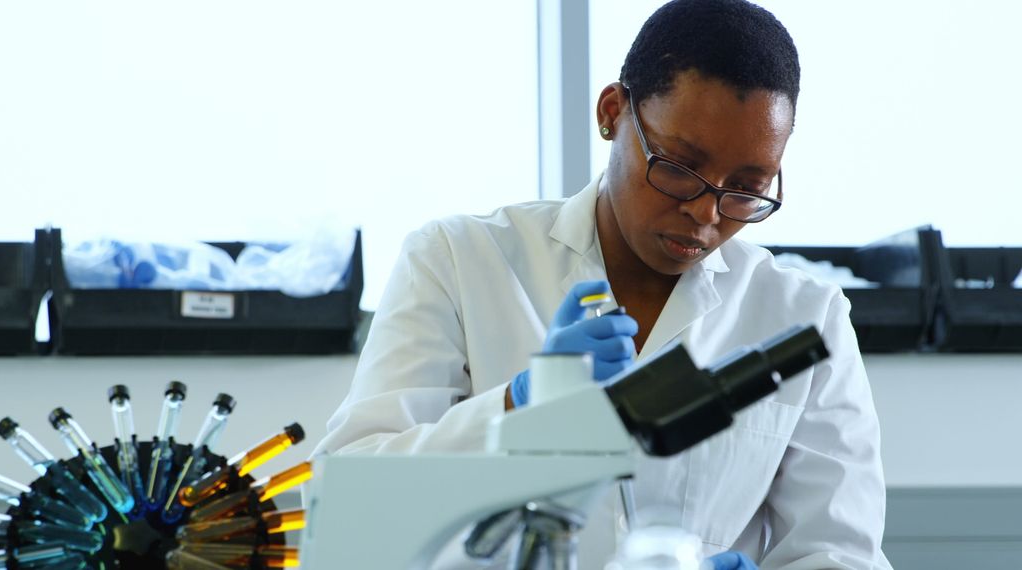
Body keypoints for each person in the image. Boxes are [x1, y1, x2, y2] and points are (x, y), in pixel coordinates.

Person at [313, 0, 892, 568]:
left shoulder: (807, 317)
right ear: (613, 112)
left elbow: (839, 552)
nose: (707, 213)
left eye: (745, 186)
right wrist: (522, 401)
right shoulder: (459, 260)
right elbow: (347, 500)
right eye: (678, 167)